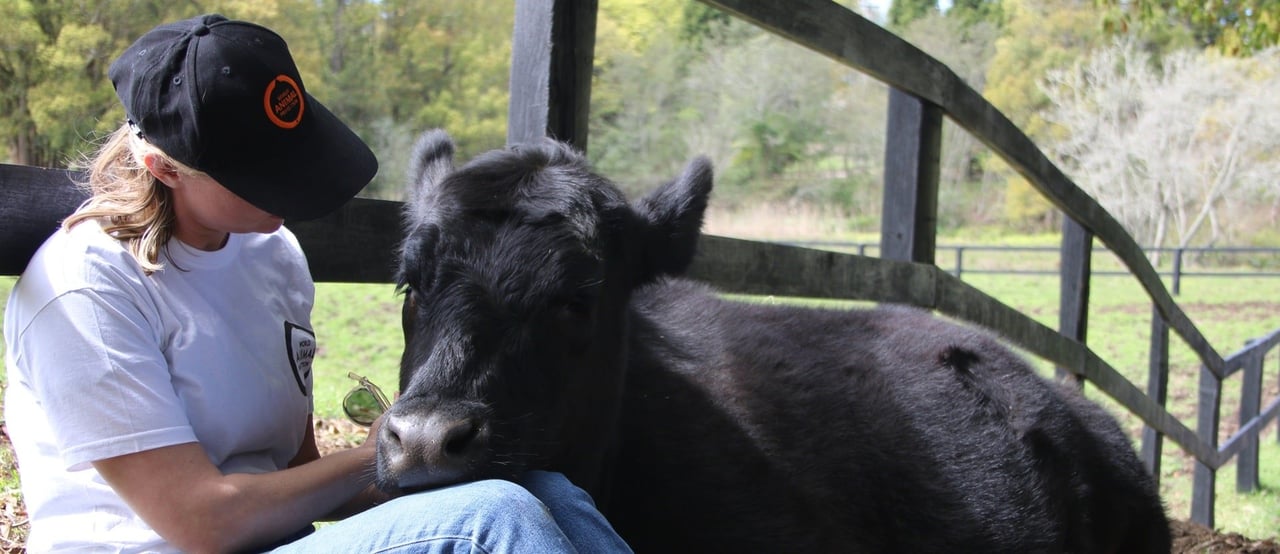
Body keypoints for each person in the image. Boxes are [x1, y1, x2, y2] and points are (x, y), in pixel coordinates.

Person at [2, 13, 632, 553]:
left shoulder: (272, 257)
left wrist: (434, 452)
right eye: (261, 173)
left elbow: (299, 472)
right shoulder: (84, 288)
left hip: (284, 542)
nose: (294, 187)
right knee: (498, 516)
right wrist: (406, 445)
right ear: (162, 166)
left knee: (548, 490)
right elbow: (202, 522)